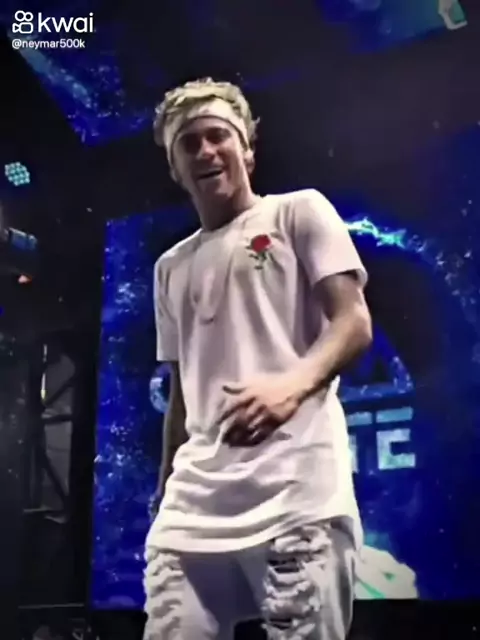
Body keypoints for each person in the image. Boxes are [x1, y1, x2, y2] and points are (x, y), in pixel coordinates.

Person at [144, 77, 372, 640]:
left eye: (217, 136)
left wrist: (289, 387)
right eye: (189, 143)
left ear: (246, 148)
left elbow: (353, 321)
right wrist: (165, 484)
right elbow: (182, 390)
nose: (205, 151)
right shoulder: (168, 268)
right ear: (175, 168)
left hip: (295, 490)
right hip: (193, 506)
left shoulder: (298, 212)